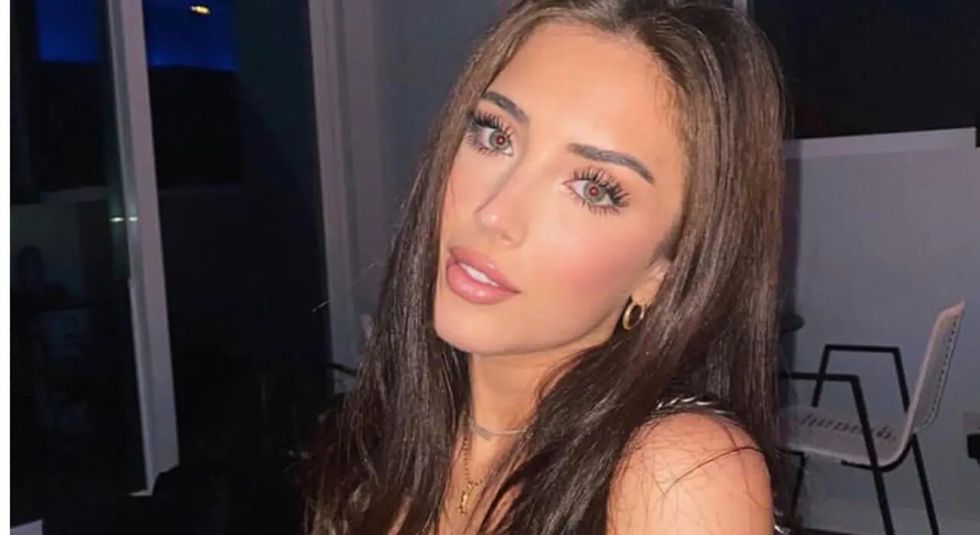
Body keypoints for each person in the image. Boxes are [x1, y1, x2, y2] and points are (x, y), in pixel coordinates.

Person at [304, 1, 787, 533]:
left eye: (592, 188)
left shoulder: (677, 474)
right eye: (495, 135)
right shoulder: (384, 442)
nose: (494, 213)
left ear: (665, 271)